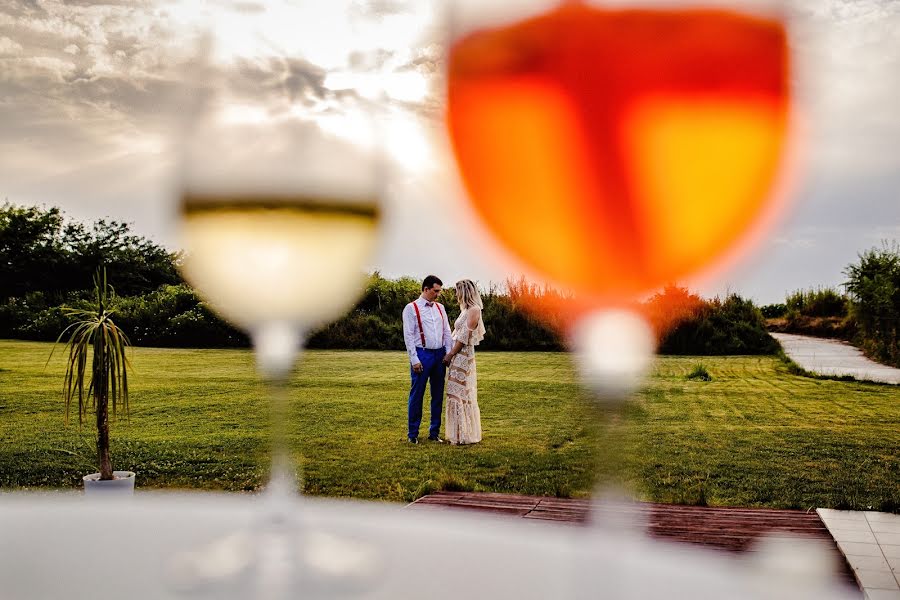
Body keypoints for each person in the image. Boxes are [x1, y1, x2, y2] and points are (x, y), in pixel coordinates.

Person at [402, 275, 452, 444]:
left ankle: (434, 432)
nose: (438, 294)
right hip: (421, 354)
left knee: (437, 395)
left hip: (439, 355)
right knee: (417, 394)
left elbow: (446, 331)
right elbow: (408, 335)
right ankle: (413, 434)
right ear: (426, 289)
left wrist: (448, 352)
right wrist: (414, 359)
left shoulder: (440, 308)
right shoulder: (411, 308)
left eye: (439, 291)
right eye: (435, 291)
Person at [442, 279, 485, 445]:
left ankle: (464, 435)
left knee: (461, 393)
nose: (455, 294)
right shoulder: (465, 310)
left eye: (457, 291)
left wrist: (450, 354)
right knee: (455, 392)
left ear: (464, 291)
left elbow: (465, 336)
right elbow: (456, 333)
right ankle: (458, 433)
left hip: (463, 356)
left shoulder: (474, 309)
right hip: (456, 354)